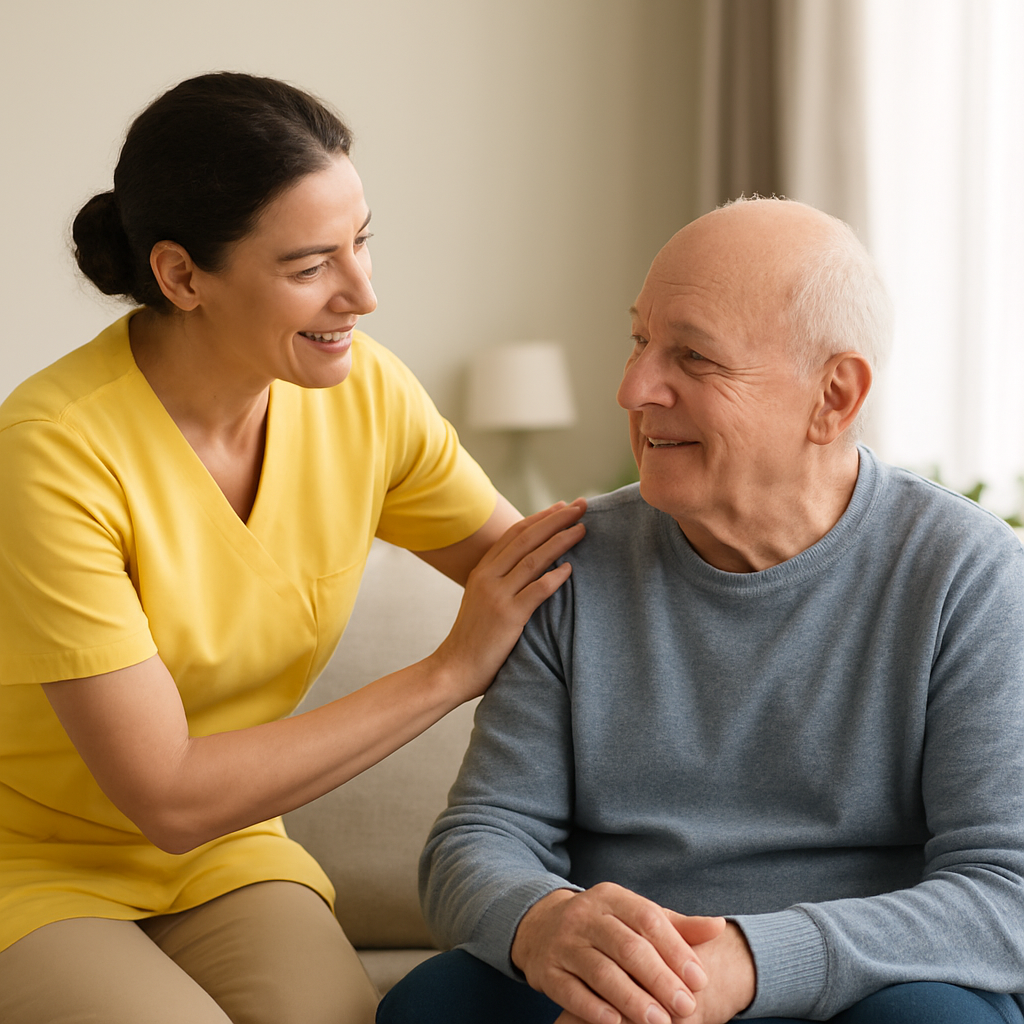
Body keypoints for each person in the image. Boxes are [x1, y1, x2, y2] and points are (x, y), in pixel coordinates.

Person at [0, 72, 587, 1024]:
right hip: (28, 860)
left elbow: (532, 570)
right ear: (182, 276)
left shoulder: (368, 397)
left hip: (227, 853)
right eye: (311, 266)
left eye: (361, 241)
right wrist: (446, 673)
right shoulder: (51, 456)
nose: (363, 292)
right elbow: (169, 795)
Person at [378, 198, 1024, 1024]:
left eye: (693, 356)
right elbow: (477, 840)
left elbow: (1004, 891)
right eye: (641, 340)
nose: (635, 387)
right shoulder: (570, 563)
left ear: (834, 395)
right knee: (431, 1006)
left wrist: (752, 963)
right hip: (621, 994)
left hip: (859, 990)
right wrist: (544, 924)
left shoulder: (967, 573)